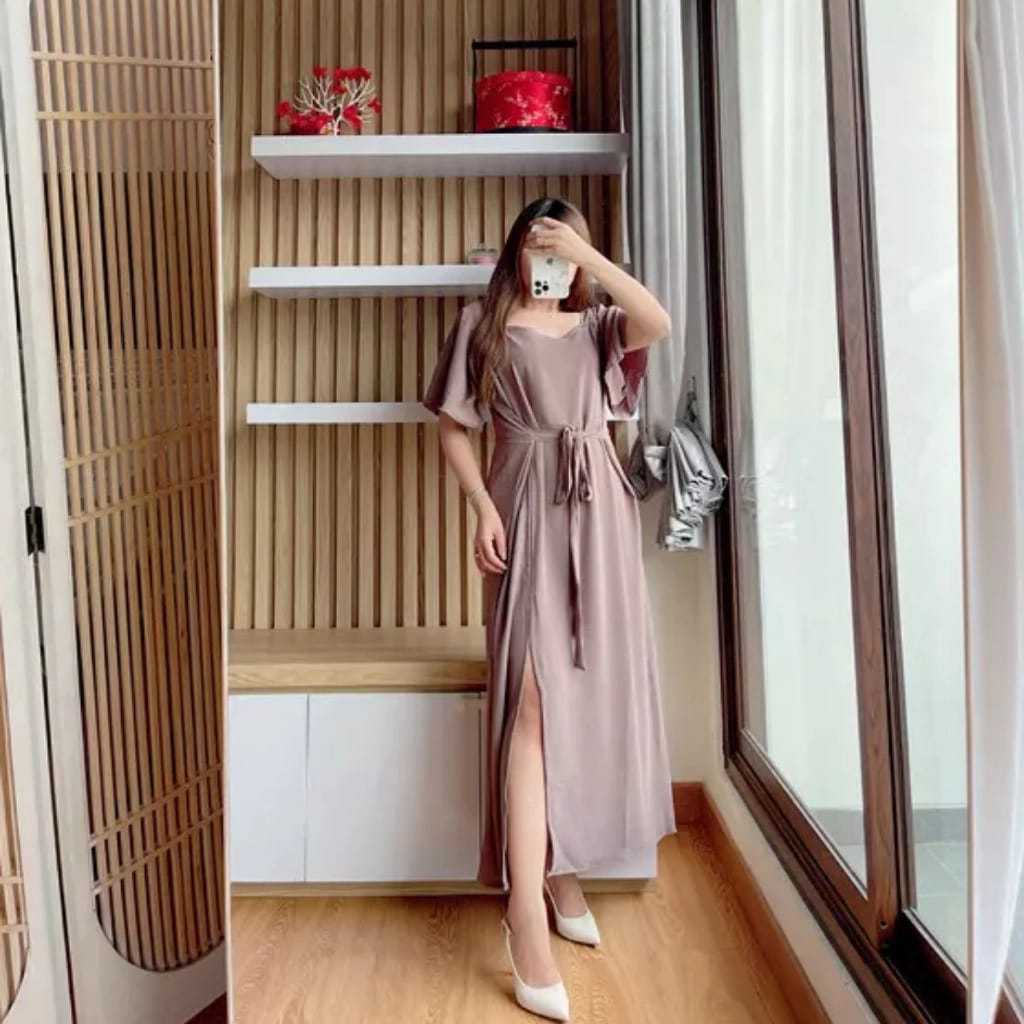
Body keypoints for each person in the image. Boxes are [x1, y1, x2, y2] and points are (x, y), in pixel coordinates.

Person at [423, 196, 677, 1021]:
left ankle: (561, 870)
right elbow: (453, 429)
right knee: (531, 702)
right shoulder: (482, 325)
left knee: (585, 696)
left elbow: (658, 321)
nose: (554, 265)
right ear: (517, 254)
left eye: (566, 251)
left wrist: (590, 261)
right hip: (524, 502)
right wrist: (481, 508)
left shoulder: (601, 326)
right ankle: (524, 912)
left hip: (599, 516)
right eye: (542, 249)